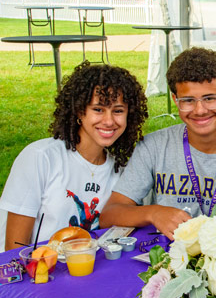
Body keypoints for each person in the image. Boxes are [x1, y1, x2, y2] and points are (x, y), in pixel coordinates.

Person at [100, 47, 216, 240]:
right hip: (163, 259)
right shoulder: (154, 147)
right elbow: (109, 214)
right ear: (175, 101)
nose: (200, 110)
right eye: (188, 100)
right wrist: (152, 212)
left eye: (209, 98)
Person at [0, 62, 148, 251]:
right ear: (80, 111)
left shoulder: (122, 169)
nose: (109, 121)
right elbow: (15, 249)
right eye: (98, 109)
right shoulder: (40, 158)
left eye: (118, 111)